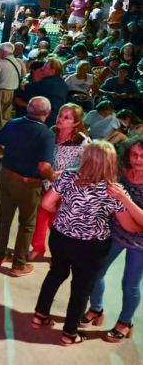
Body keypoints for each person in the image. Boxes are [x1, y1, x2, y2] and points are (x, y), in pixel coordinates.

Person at [32, 141, 143, 345]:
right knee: (81, 288)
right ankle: (69, 334)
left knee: (55, 274)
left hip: (60, 237)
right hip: (91, 246)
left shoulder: (68, 175)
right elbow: (130, 227)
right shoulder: (113, 190)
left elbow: (46, 204)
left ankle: (39, 316)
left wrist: (68, 216)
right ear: (111, 162)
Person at [0, 97, 56, 276]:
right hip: (28, 184)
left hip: (7, 176)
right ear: (48, 113)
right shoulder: (46, 134)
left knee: (4, 217)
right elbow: (44, 167)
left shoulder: (13, 123)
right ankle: (18, 265)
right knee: (26, 224)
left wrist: (7, 156)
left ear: (28, 108)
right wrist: (54, 177)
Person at [85, 137, 143, 342]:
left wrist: (124, 197)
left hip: (141, 242)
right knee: (95, 271)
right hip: (116, 231)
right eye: (134, 155)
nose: (137, 160)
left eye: (142, 156)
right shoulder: (122, 170)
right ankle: (96, 309)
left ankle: (125, 322)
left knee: (130, 283)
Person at [29, 104, 89, 261]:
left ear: (76, 122)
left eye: (67, 117)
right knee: (41, 216)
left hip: (66, 186)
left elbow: (86, 165)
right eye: (60, 115)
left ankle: (60, 253)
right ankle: (39, 247)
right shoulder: (52, 132)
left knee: (57, 221)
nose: (60, 119)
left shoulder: (82, 140)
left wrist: (63, 173)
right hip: (47, 182)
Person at [0, 42, 25, 136]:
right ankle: (4, 136)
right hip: (12, 92)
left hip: (0, 92)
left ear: (3, 52)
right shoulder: (18, 62)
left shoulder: (1, 63)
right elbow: (23, 75)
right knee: (5, 116)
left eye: (0, 50)